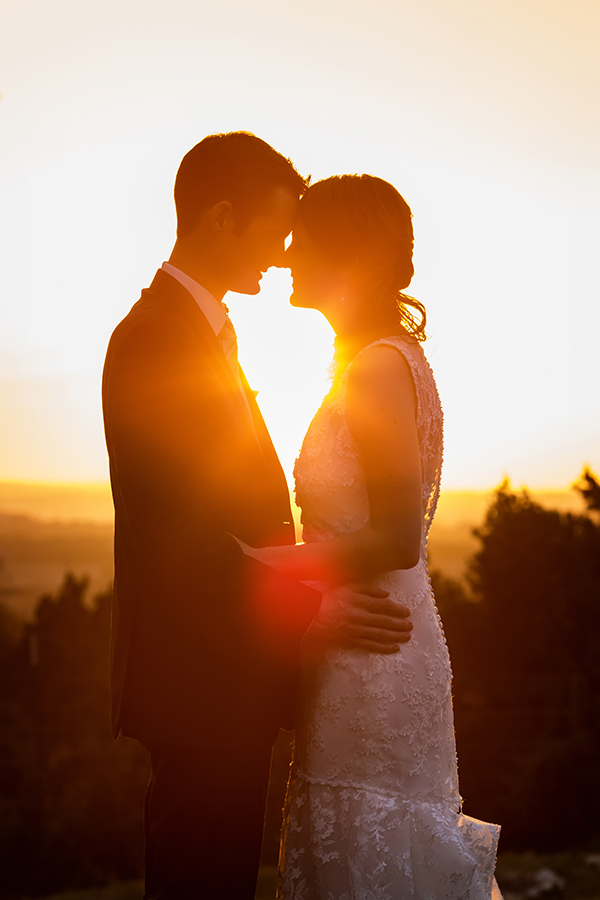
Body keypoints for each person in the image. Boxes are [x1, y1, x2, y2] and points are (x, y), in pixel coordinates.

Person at [101, 133, 414, 900]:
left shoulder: (204, 334)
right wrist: (310, 613)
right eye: (274, 230)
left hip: (228, 680)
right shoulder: (153, 341)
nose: (281, 254)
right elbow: (180, 542)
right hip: (197, 686)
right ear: (219, 217)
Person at [238, 174, 503, 899]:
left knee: (371, 840)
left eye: (303, 240)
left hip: (375, 655)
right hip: (362, 642)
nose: (288, 256)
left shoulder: (381, 367)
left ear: (343, 252)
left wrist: (273, 566)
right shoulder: (374, 359)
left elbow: (393, 538)